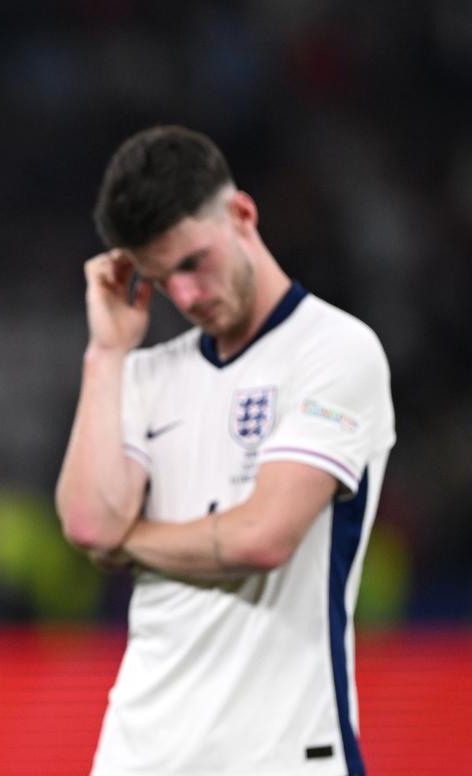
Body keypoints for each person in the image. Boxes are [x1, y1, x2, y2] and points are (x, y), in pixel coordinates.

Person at [55, 126, 395, 775]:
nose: (182, 297)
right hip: (137, 752)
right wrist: (107, 353)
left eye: (192, 263)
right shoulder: (146, 372)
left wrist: (127, 544)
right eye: (160, 278)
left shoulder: (335, 351)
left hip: (283, 754)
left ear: (242, 215)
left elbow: (261, 539)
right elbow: (87, 523)